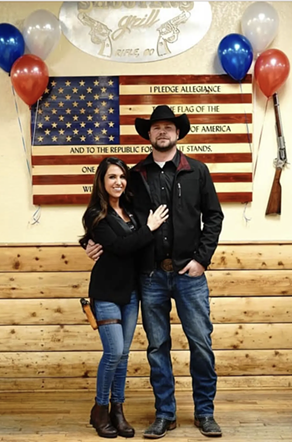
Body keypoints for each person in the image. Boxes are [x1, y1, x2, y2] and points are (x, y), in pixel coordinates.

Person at [86, 105, 224, 438]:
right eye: (156, 127)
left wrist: (202, 259)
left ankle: (205, 412)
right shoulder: (134, 176)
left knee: (201, 344)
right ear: (148, 134)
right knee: (156, 346)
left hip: (190, 275)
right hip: (150, 278)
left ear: (178, 133)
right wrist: (88, 241)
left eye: (168, 127)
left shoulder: (198, 171)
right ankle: (165, 414)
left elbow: (214, 218)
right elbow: (114, 217)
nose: (162, 132)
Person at [80, 156, 168, 439]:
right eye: (111, 177)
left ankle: (118, 411)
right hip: (106, 291)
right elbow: (120, 247)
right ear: (102, 182)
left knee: (124, 355)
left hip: (131, 292)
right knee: (114, 352)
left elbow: (138, 247)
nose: (118, 182)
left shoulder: (131, 211)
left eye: (122, 177)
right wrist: (150, 229)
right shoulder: (95, 214)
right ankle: (100, 409)